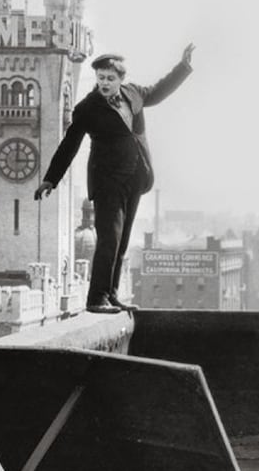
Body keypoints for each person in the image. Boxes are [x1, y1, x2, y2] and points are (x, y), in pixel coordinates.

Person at [35, 45, 195, 313]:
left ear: (120, 79)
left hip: (134, 177)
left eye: (110, 78)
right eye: (100, 78)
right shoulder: (87, 108)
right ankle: (96, 299)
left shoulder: (133, 93)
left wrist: (183, 68)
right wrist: (51, 179)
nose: (105, 83)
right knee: (109, 239)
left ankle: (111, 294)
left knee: (122, 241)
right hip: (107, 182)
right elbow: (69, 144)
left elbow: (158, 91)